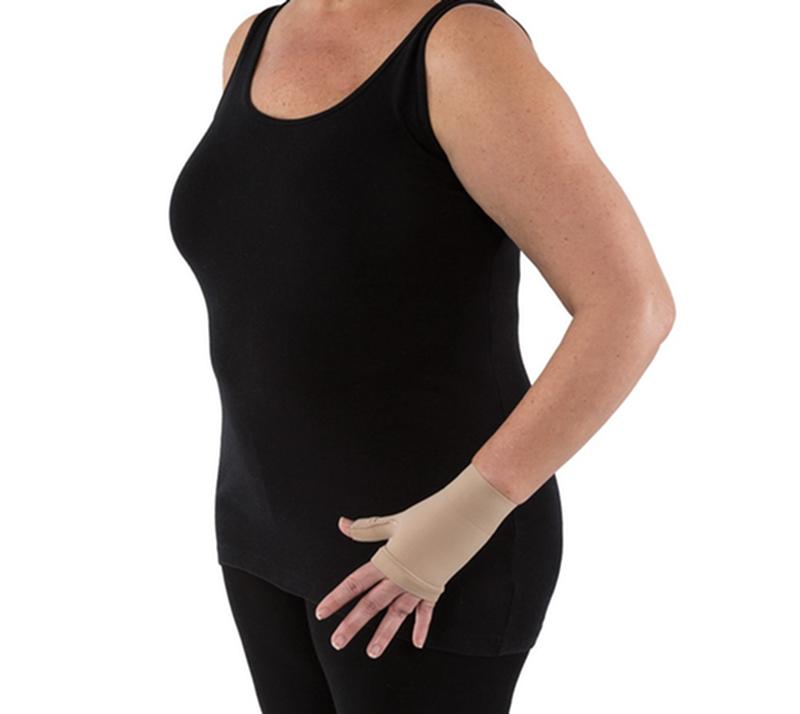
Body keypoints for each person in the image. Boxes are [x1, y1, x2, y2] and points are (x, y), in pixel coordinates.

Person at [168, 0, 675, 711]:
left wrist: (461, 519)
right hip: (262, 530)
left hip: (429, 557)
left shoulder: (461, 48)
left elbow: (631, 306)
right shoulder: (255, 40)